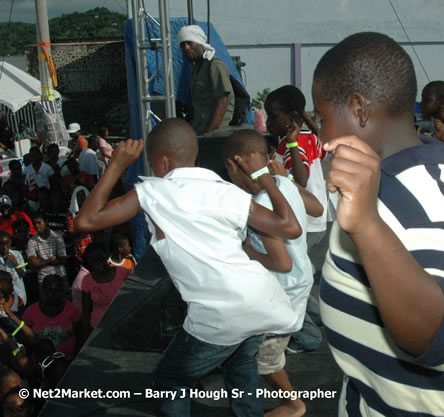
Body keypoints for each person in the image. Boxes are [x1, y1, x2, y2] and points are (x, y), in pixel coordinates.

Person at [313, 32, 444, 416]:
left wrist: (366, 225)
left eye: (323, 118)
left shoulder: (415, 199)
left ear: (359, 110)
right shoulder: (400, 180)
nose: (320, 135)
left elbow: (439, 337)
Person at [75, 118, 303, 416]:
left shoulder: (153, 193)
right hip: (263, 299)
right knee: (241, 364)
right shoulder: (227, 191)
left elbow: (85, 221)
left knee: (169, 378)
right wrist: (264, 176)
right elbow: (290, 227)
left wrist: (117, 165)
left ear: (162, 161)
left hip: (221, 312)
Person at [223, 129, 314, 417]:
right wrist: (280, 178)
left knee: (266, 359)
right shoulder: (281, 185)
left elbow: (281, 262)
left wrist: (248, 251)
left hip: (284, 289)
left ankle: (293, 404)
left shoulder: (261, 205)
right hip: (299, 280)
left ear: (235, 165)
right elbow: (317, 206)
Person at [265, 85, 329, 353]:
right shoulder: (308, 137)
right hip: (316, 222)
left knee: (292, 280)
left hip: (304, 223)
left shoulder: (296, 142)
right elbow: (323, 146)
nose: (268, 123)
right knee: (307, 277)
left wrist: (287, 148)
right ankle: (316, 318)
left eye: (272, 117)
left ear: (290, 117)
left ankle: (307, 334)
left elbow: (299, 180)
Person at [177, 25, 234, 134]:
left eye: (190, 43)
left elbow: (222, 102)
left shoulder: (215, 65)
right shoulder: (196, 68)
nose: (186, 47)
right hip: (200, 129)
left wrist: (209, 133)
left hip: (216, 133)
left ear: (199, 42)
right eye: (182, 44)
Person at [23, 275, 82, 360]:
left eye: (57, 290)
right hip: (42, 363)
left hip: (69, 360)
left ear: (62, 291)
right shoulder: (30, 312)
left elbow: (80, 336)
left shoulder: (72, 310)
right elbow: (27, 342)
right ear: (43, 291)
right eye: (50, 290)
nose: (53, 294)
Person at [80, 243, 130, 333]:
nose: (98, 263)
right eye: (94, 260)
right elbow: (86, 314)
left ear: (106, 257)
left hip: (122, 324)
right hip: (99, 328)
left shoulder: (124, 273)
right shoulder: (87, 280)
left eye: (100, 259)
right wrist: (86, 340)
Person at [25, 213, 68, 296]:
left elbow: (63, 260)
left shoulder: (57, 237)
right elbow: (33, 264)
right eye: (34, 224)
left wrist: (41, 262)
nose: (36, 226)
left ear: (46, 222)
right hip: (43, 278)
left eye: (39, 223)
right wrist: (50, 260)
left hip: (60, 275)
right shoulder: (32, 241)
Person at [66, 186, 93, 263]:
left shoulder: (92, 210)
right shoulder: (71, 214)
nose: (81, 198)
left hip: (94, 250)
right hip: (80, 251)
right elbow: (71, 233)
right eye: (79, 196)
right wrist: (87, 228)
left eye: (83, 195)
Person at [0, 232, 27, 306]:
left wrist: (15, 262)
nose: (5, 247)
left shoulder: (17, 254)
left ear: (10, 242)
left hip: (18, 292)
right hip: (3, 296)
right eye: (2, 244)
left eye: (7, 244)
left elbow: (23, 274)